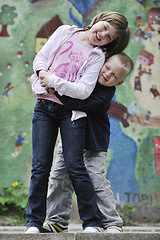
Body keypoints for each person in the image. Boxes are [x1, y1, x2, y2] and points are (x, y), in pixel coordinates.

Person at [25, 11, 130, 234]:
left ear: (119, 82)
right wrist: (41, 73)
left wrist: (50, 82)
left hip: (83, 130)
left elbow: (80, 96)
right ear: (98, 20)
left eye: (109, 36)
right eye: (103, 28)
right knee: (51, 173)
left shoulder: (98, 64)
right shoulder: (65, 32)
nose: (102, 34)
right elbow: (41, 58)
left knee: (87, 175)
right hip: (52, 115)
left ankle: (104, 222)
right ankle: (48, 222)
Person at [41, 53, 134, 233]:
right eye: (107, 68)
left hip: (93, 142)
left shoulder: (105, 94)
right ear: (102, 63)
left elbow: (78, 103)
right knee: (58, 177)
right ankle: (56, 221)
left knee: (95, 179)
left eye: (114, 75)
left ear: (119, 82)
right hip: (69, 139)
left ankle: (111, 221)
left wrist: (56, 90)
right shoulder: (84, 77)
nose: (107, 74)